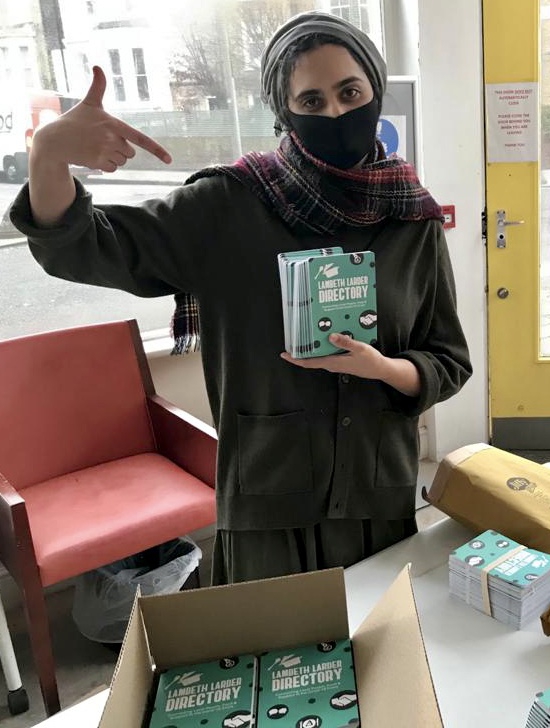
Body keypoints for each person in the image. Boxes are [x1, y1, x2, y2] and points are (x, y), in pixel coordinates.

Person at [9, 11, 472, 584]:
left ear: (375, 88)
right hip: (267, 505)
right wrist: (48, 155)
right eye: (311, 100)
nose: (335, 112)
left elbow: (449, 360)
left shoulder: (410, 216)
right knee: (272, 658)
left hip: (378, 495)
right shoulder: (228, 206)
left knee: (379, 657)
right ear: (285, 111)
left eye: (350, 91)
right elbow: (82, 247)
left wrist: (385, 369)